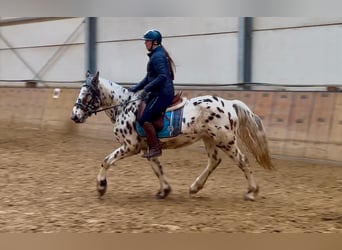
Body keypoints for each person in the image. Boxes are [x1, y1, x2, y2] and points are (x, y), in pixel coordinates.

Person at [129, 29, 176, 158]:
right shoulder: (156, 54)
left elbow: (162, 77)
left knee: (144, 118)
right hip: (157, 92)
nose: (145, 43)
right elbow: (148, 78)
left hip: (163, 94)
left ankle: (156, 148)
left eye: (147, 41)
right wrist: (134, 89)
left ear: (154, 42)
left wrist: (146, 90)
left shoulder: (157, 56)